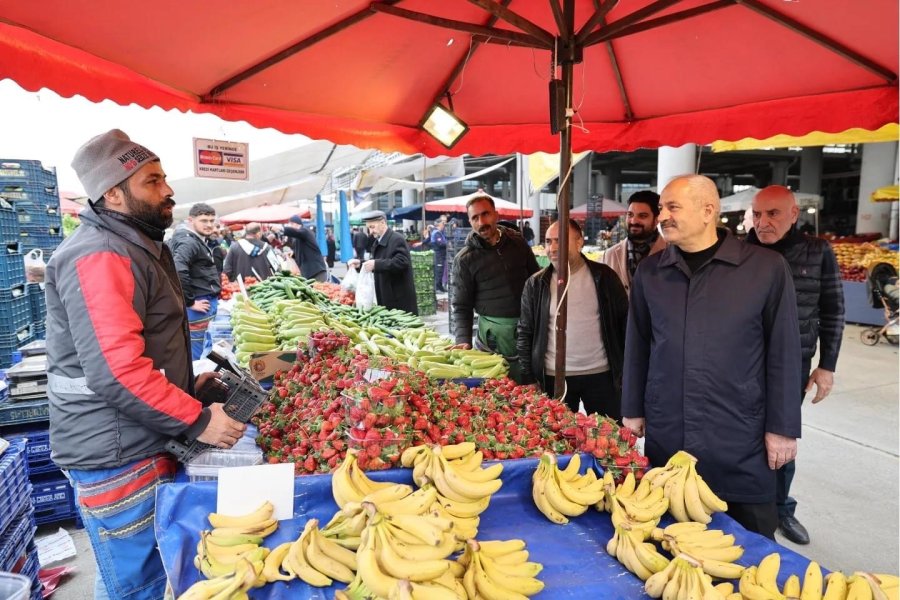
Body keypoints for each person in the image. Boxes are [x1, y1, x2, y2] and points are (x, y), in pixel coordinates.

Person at [45, 129, 246, 600]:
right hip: (116, 450)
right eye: (152, 181)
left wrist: (186, 385)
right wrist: (197, 419)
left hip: (134, 435)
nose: (168, 190)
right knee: (138, 584)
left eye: (164, 178)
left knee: (133, 576)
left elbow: (137, 348)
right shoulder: (101, 255)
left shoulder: (135, 245)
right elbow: (116, 370)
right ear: (113, 194)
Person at [622, 174, 802, 539]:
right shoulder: (651, 272)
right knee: (670, 542)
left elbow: (784, 351)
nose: (662, 216)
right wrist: (632, 408)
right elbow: (637, 344)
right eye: (661, 208)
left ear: (708, 211)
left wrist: (783, 429)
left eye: (673, 207)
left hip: (740, 436)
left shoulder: (765, 268)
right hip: (669, 431)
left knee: (751, 545)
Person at [746, 185, 845, 545]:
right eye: (757, 214)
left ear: (793, 214)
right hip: (743, 365)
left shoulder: (817, 252)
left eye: (772, 214)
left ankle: (781, 509)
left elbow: (833, 310)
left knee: (782, 436)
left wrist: (827, 365)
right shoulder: (740, 252)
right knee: (742, 437)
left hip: (793, 367)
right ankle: (746, 505)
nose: (762, 222)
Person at [518, 219, 628, 417]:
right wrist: (528, 377)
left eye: (559, 241)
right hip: (554, 376)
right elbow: (525, 332)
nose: (552, 248)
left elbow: (625, 325)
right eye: (548, 241)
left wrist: (626, 371)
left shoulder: (605, 277)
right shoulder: (536, 284)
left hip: (601, 374)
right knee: (557, 433)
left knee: (608, 432)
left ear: (579, 242)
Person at [451, 194, 540, 382]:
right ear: (470, 222)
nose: (481, 222)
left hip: (528, 329)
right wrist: (463, 340)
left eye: (485, 214)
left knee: (532, 385)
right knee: (499, 388)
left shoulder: (518, 242)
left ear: (496, 215)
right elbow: (461, 306)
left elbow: (536, 279)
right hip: (493, 337)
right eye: (475, 218)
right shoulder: (464, 259)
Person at [166, 203, 222, 360]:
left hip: (200, 305)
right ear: (191, 220)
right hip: (198, 307)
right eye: (204, 220)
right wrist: (190, 302)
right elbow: (178, 268)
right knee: (200, 355)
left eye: (211, 220)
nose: (209, 225)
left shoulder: (191, 239)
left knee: (200, 350)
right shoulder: (188, 242)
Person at [348, 211, 418, 314]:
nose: (370, 232)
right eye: (369, 228)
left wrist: (376, 264)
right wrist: (360, 263)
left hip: (398, 297)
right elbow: (381, 260)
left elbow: (402, 262)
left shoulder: (397, 239)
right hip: (386, 293)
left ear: (383, 223)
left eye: (372, 227)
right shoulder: (378, 241)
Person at [602, 190, 667, 296]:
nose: (633, 221)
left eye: (642, 216)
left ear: (656, 220)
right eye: (630, 215)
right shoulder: (610, 255)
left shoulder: (672, 253)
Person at [282, 216, 327, 281]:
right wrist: (293, 253)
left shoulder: (305, 231)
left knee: (320, 287)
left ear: (296, 224)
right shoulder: (298, 237)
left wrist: (282, 229)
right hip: (308, 273)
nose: (290, 226)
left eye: (291, 224)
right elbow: (301, 250)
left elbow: (295, 232)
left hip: (316, 271)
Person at [430, 218, 448, 292]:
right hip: (438, 255)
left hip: (441, 255)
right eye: (442, 223)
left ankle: (440, 287)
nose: (444, 225)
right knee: (439, 271)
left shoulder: (440, 233)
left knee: (440, 271)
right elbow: (441, 244)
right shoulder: (437, 233)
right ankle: (437, 288)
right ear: (438, 225)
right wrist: (448, 244)